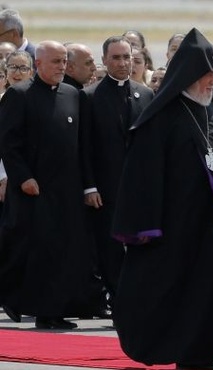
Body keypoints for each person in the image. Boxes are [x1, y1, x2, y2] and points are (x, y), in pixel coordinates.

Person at [110, 28, 213, 368]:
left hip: (211, 227)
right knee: (181, 296)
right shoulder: (160, 118)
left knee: (211, 295)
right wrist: (147, 226)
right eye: (208, 76)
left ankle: (204, 354)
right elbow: (142, 174)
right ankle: (185, 354)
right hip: (174, 228)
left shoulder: (212, 115)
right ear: (189, 76)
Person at [0, 40, 101, 329]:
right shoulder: (19, 96)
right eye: (56, 62)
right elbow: (9, 143)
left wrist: (88, 186)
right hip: (35, 190)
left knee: (65, 252)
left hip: (67, 190)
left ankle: (56, 311)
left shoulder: (73, 94)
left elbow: (83, 146)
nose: (62, 67)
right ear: (39, 64)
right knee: (39, 252)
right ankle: (37, 309)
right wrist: (23, 177)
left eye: (65, 61)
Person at [79, 35, 154, 319]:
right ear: (104, 61)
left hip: (138, 187)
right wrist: (89, 186)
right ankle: (119, 300)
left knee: (139, 246)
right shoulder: (89, 96)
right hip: (105, 188)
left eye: (128, 58)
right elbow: (84, 147)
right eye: (117, 58)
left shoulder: (145, 94)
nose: (123, 64)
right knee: (110, 249)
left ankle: (136, 298)